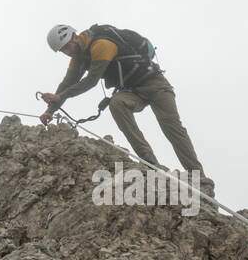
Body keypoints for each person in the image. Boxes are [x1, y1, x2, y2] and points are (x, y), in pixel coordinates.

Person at [40, 23, 214, 196]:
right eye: (63, 50)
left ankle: (198, 176)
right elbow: (67, 83)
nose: (67, 52)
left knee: (171, 126)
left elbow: (91, 81)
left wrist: (61, 97)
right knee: (117, 104)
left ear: (75, 37)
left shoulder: (101, 45)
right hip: (132, 91)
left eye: (67, 47)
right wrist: (50, 110)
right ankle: (148, 159)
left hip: (155, 84)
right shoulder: (78, 58)